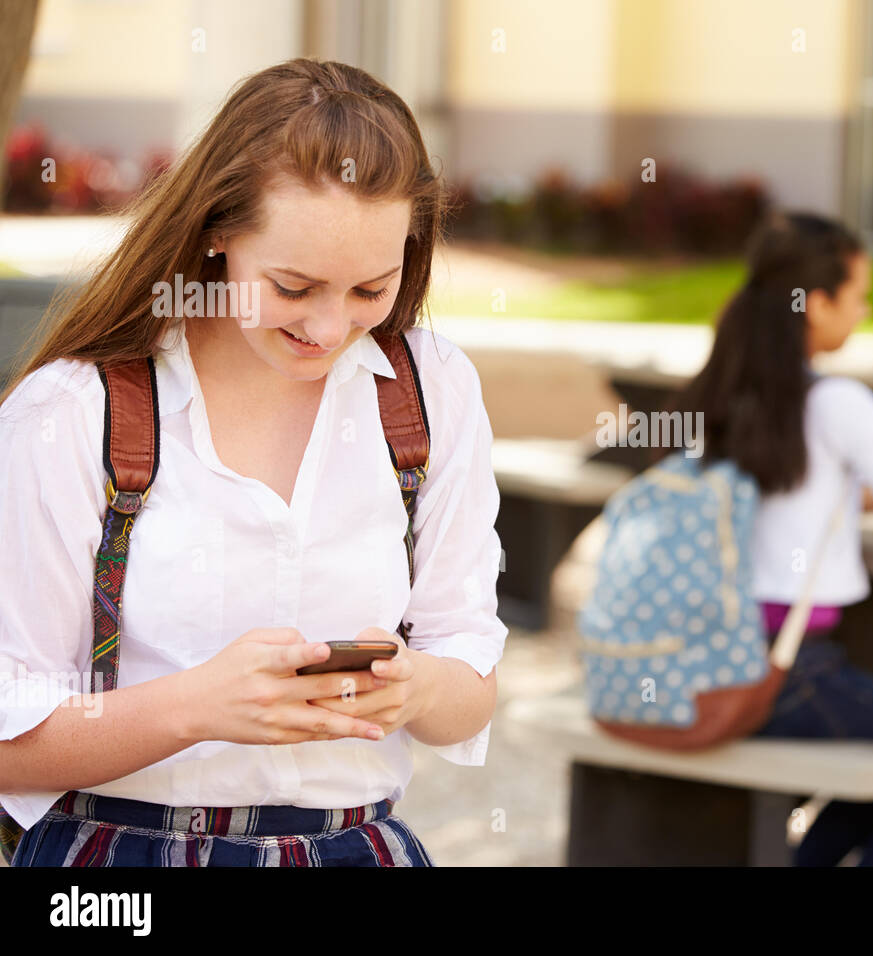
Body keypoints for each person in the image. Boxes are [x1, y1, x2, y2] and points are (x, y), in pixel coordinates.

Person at [0, 59, 506, 866]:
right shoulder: (73, 413)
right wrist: (198, 707)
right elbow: (9, 741)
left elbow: (469, 687)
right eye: (294, 286)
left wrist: (417, 686)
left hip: (357, 847)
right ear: (216, 231)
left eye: (373, 287)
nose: (332, 325)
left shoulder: (430, 392)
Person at [660, 211, 873, 865]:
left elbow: (784, 491)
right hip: (790, 673)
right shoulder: (838, 403)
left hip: (700, 662)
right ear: (816, 304)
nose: (866, 311)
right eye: (858, 297)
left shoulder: (717, 392)